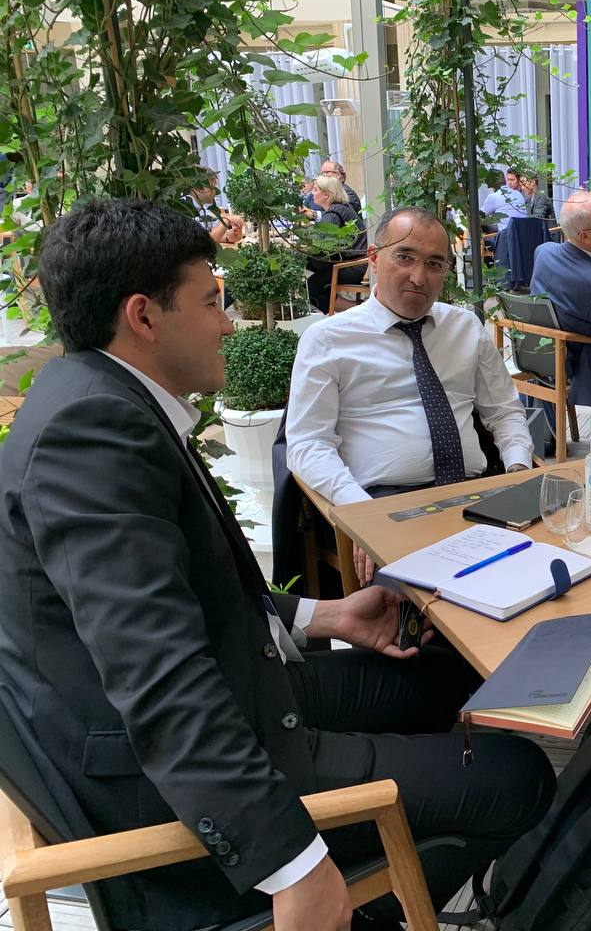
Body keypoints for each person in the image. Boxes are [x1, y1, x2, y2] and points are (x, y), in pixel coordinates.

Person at [0, 198, 554, 931]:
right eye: (211, 302)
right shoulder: (93, 434)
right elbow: (157, 678)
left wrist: (326, 615)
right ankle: (376, 906)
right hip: (197, 780)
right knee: (519, 775)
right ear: (144, 317)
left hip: (245, 690)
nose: (230, 324)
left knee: (446, 672)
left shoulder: (97, 399)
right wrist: (293, 865)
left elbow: (176, 596)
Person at [287, 205, 534, 584]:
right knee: (425, 605)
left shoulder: (464, 327)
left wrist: (518, 470)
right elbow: (307, 445)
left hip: (479, 495)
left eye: (435, 264)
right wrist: (362, 512)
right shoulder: (328, 339)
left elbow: (504, 411)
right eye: (404, 257)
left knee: (546, 577)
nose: (419, 277)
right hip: (388, 503)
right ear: (373, 257)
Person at [529, 190, 591, 409]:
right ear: (585, 236)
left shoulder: (543, 252)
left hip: (539, 355)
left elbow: (574, 287)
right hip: (579, 365)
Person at [304, 173, 368, 313]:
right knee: (316, 279)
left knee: (309, 289)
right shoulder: (341, 208)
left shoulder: (333, 213)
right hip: (360, 264)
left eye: (315, 190)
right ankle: (357, 308)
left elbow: (323, 246)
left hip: (355, 266)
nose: (312, 193)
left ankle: (360, 309)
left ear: (326, 194)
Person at [186, 169, 244, 245]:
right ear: (195, 187)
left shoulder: (204, 209)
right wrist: (226, 220)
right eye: (212, 188)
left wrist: (228, 238)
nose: (216, 192)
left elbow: (209, 235)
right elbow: (202, 242)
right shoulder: (184, 208)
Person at [480, 168, 528, 234]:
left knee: (479, 223)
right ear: (505, 181)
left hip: (507, 236)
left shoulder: (493, 196)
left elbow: (479, 216)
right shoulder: (518, 194)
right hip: (523, 234)